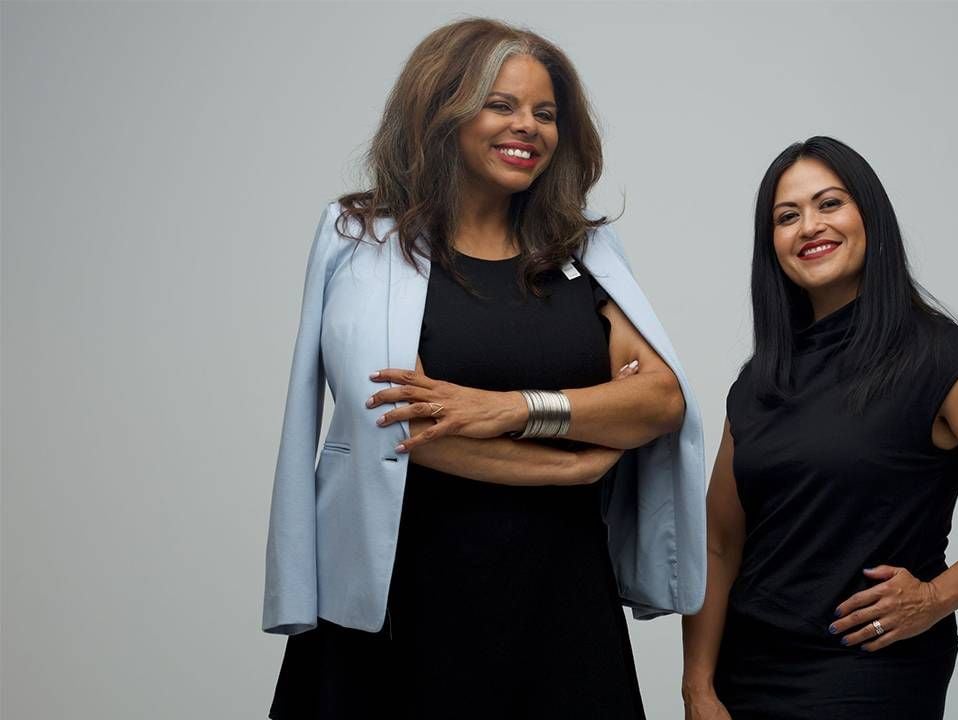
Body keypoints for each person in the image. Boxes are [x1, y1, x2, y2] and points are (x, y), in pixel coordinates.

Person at [262, 18, 706, 718]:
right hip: (404, 604)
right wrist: (577, 460)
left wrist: (511, 409)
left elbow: (660, 401)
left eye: (545, 112)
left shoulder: (583, 251)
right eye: (501, 104)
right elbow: (410, 428)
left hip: (558, 602)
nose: (527, 126)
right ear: (442, 108)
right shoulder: (363, 241)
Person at [681, 136, 958, 720]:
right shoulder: (761, 380)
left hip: (867, 672)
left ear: (869, 216)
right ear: (770, 244)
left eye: (830, 204)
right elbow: (719, 543)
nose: (809, 226)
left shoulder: (935, 356)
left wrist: (935, 598)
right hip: (746, 674)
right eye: (787, 216)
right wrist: (698, 686)